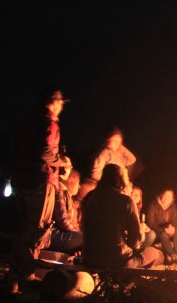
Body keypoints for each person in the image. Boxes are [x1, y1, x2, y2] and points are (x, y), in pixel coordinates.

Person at [9, 86, 72, 291]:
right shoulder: (48, 122)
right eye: (61, 103)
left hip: (22, 180)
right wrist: (62, 162)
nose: (62, 107)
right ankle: (26, 276)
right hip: (39, 181)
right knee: (38, 228)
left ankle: (13, 277)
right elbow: (45, 151)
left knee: (23, 228)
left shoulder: (28, 119)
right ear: (55, 102)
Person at [81, 164, 164, 269]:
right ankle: (130, 282)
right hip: (117, 261)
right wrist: (138, 240)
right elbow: (136, 237)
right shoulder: (126, 201)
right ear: (121, 180)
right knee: (154, 253)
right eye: (126, 178)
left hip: (89, 259)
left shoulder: (90, 197)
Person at [48, 168, 83, 254]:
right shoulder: (60, 190)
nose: (79, 186)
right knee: (87, 238)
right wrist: (74, 232)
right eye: (78, 182)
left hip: (58, 233)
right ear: (71, 181)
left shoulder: (67, 196)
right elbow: (62, 219)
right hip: (53, 235)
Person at [146, 189, 177, 263]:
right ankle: (173, 255)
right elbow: (151, 223)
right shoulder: (153, 206)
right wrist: (163, 230)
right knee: (163, 235)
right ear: (161, 195)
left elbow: (176, 223)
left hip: (168, 231)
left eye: (169, 197)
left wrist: (172, 229)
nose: (167, 198)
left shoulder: (173, 208)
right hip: (158, 232)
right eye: (165, 196)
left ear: (172, 199)